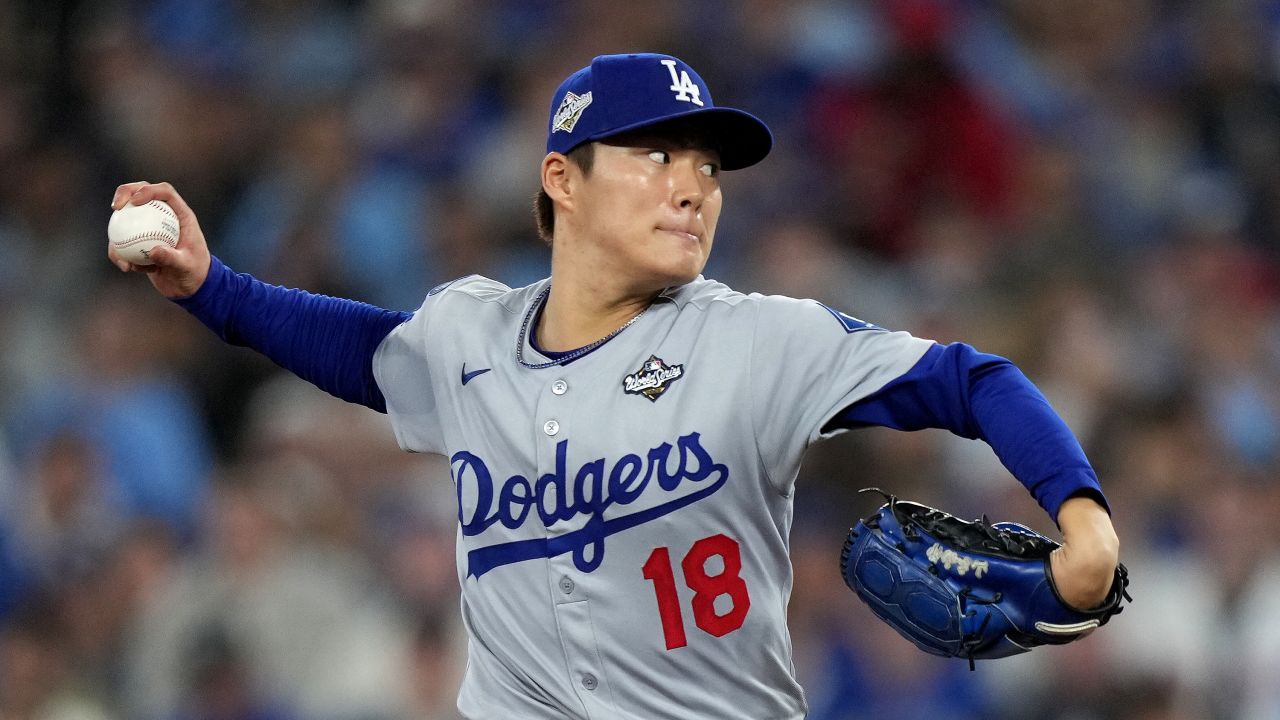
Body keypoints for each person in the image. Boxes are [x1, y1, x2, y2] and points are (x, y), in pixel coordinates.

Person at [109, 52, 1120, 720]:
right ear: (562, 180)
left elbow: (969, 380)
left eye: (708, 168)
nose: (694, 187)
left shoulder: (756, 340)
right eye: (657, 154)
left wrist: (1085, 524)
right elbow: (363, 350)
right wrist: (211, 286)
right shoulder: (468, 336)